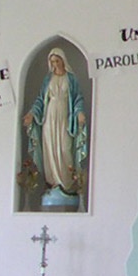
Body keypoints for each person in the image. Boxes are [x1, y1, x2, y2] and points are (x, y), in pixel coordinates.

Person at [23, 47, 89, 203]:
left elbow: (77, 98)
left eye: (57, 61)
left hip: (65, 119)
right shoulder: (48, 79)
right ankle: (53, 184)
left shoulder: (71, 79)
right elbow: (40, 99)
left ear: (63, 60)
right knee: (50, 149)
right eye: (52, 62)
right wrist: (31, 114)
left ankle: (66, 185)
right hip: (49, 118)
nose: (55, 64)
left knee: (65, 148)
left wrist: (79, 112)